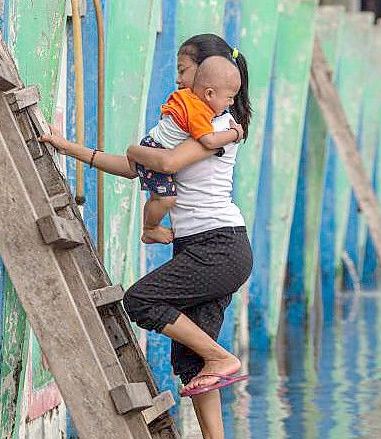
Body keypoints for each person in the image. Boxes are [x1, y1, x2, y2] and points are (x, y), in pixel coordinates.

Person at [39, 33, 252, 439]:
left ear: (206, 75)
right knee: (193, 365)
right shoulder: (188, 120)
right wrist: (64, 147)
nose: (177, 79)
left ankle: (222, 357)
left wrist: (136, 151)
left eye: (183, 70)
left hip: (219, 245)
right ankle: (216, 377)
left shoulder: (219, 125)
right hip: (202, 246)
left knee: (141, 300)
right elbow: (135, 167)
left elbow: (166, 161)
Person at [137, 56, 244, 245]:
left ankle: (150, 227)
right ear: (209, 93)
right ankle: (150, 229)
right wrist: (235, 134)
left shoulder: (190, 101)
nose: (231, 103)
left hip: (154, 147)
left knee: (161, 196)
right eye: (229, 98)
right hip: (156, 150)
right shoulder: (200, 113)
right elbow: (209, 141)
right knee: (165, 198)